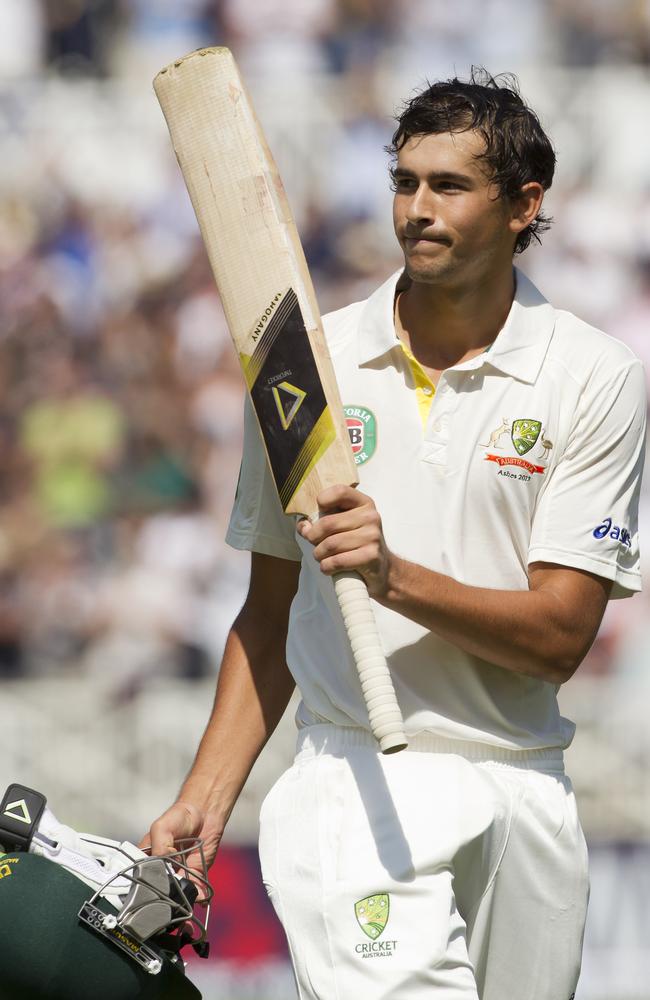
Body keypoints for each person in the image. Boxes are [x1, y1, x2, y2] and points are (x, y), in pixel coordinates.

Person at [143, 70, 646, 999]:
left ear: (524, 205)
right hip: (357, 774)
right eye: (405, 183)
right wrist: (204, 804)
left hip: (527, 781)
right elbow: (269, 615)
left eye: (449, 186)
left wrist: (391, 576)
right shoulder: (303, 369)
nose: (417, 209)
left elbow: (560, 637)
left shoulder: (595, 376)